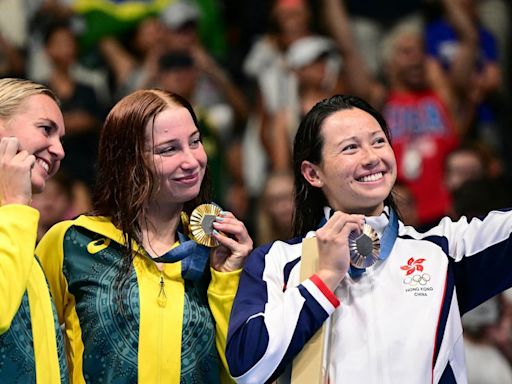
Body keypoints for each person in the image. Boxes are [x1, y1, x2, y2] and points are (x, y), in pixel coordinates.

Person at [226, 94, 512, 383]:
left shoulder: (442, 250)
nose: (372, 157)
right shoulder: (277, 261)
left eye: (378, 141)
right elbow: (247, 367)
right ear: (313, 173)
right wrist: (324, 278)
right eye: (351, 148)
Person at [36, 88, 253, 383]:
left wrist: (228, 278)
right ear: (127, 161)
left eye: (194, 142)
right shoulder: (73, 242)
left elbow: (243, 372)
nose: (191, 161)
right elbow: (29, 350)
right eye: (169, 149)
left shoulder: (218, 248)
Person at [0, 78, 67, 382]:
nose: (60, 150)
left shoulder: (22, 225)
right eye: (46, 129)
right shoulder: (16, 216)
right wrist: (14, 203)